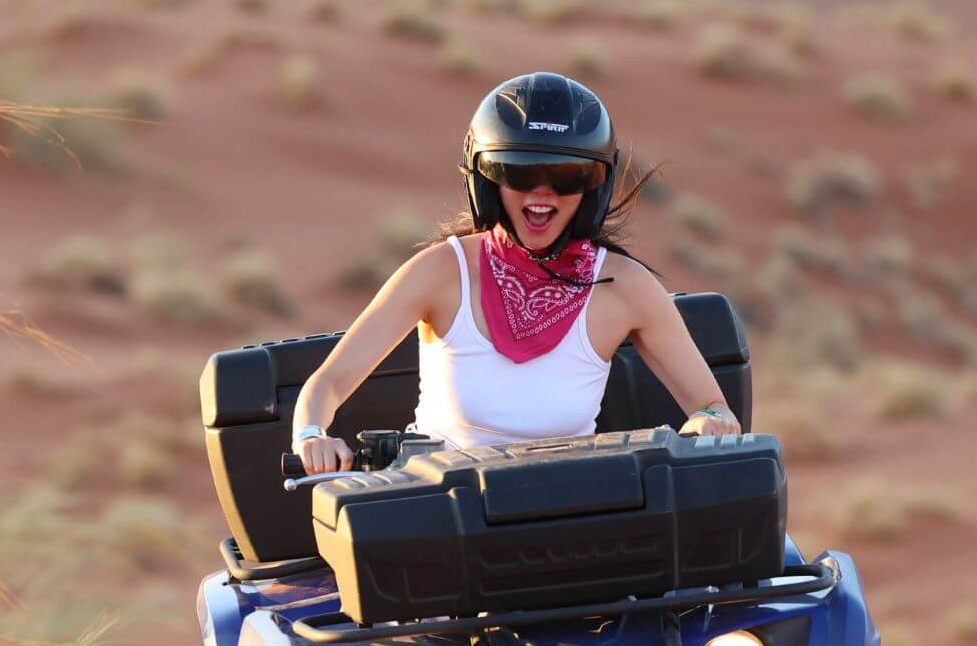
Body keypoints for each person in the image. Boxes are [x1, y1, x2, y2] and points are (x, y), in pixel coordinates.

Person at [293, 71, 741, 474]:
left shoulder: (626, 288)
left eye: (567, 175)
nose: (542, 192)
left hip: (574, 520)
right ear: (487, 180)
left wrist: (710, 423)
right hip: (434, 516)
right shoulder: (442, 271)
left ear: (594, 186)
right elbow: (327, 384)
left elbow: (715, 409)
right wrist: (312, 435)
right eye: (521, 172)